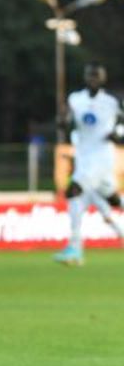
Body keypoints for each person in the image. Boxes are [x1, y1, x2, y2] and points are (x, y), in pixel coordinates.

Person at [54, 62, 124, 266]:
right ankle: (76, 248)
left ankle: (75, 247)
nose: (93, 79)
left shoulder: (113, 101)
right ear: (85, 77)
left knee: (73, 191)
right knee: (112, 200)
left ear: (103, 78)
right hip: (84, 158)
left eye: (97, 76)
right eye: (90, 75)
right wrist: (62, 121)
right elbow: (65, 123)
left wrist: (118, 134)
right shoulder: (75, 99)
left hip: (101, 157)